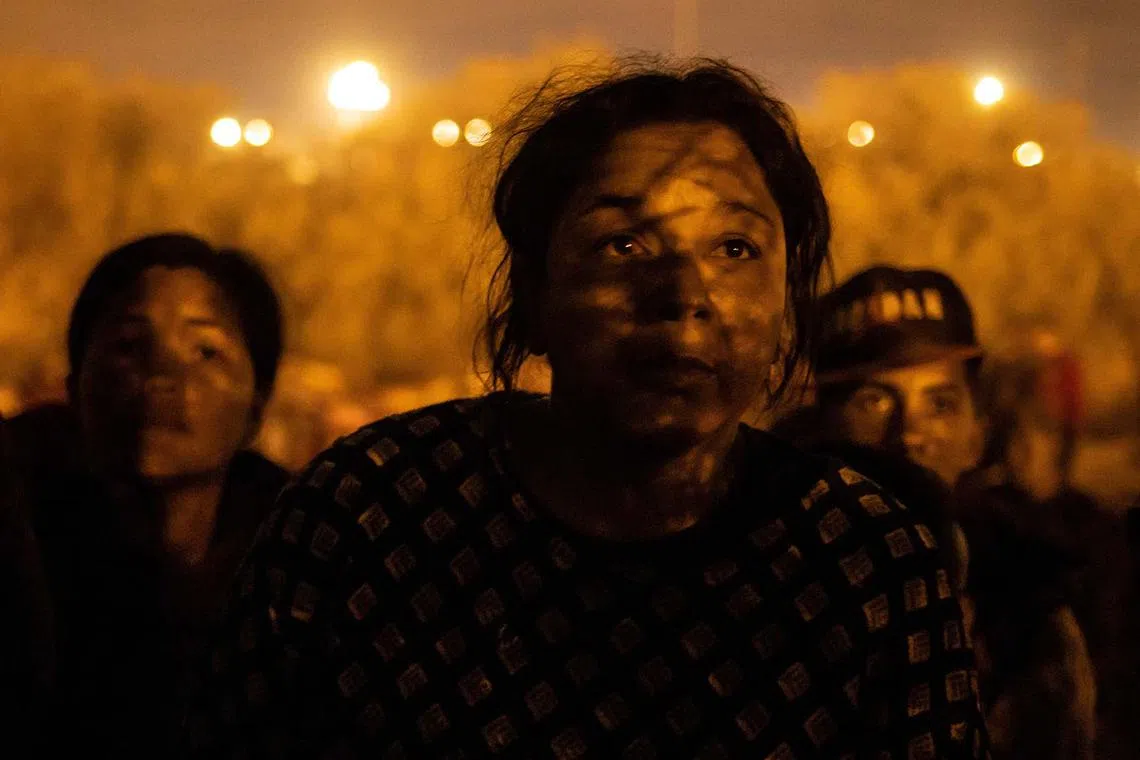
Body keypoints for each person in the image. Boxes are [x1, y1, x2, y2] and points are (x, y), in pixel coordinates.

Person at [187, 59, 987, 758]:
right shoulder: (371, 514)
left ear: (785, 309)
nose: (682, 297)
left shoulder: (866, 566)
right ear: (532, 295)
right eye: (624, 246)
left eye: (735, 249)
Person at [794, 266, 1096, 758]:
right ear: (820, 428)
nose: (910, 432)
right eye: (873, 401)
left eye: (940, 405)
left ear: (975, 437)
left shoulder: (1026, 617)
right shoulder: (766, 592)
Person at [12, 233, 289, 757]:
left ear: (256, 408)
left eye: (206, 352)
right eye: (128, 347)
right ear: (74, 389)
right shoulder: (20, 556)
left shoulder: (294, 577)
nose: (162, 375)